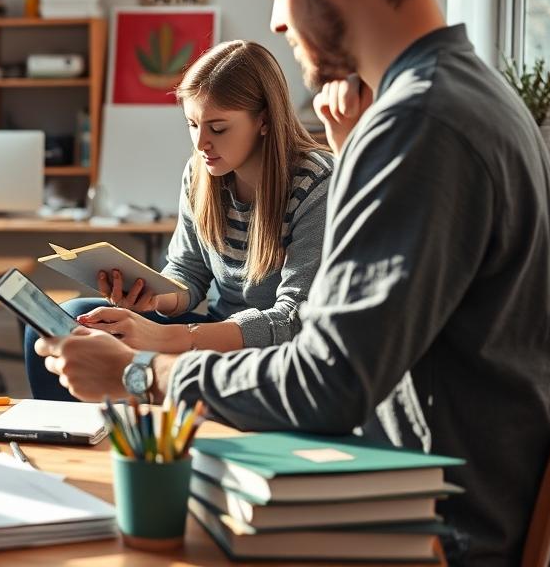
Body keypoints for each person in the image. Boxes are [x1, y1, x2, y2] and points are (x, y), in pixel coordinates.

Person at [36, 0, 550, 563]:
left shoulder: (422, 122)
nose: (278, 19)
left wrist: (141, 371)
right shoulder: (465, 95)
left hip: (428, 526)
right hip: (411, 488)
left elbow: (327, 379)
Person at [24, 41, 332, 400]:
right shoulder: (202, 173)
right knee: (67, 322)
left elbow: (294, 319)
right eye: (193, 124)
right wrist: (151, 297)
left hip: (273, 352)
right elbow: (187, 275)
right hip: (207, 330)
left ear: (263, 120)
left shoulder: (315, 183)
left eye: (218, 128)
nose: (202, 143)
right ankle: (72, 441)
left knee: (95, 331)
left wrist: (169, 336)